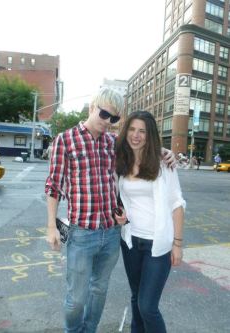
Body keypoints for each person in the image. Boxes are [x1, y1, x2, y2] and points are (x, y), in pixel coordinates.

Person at [45, 89, 176, 333]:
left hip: (112, 234)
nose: (107, 121)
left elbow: (139, 147)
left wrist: (163, 152)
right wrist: (51, 227)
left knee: (99, 291)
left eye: (114, 118)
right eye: (103, 113)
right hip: (81, 233)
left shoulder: (111, 143)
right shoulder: (65, 140)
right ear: (91, 107)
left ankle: (90, 330)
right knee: (76, 298)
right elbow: (53, 185)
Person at [115, 111, 186, 333]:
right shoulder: (121, 161)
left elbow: (177, 203)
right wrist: (121, 214)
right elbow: (122, 199)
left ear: (150, 135)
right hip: (130, 242)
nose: (136, 135)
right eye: (132, 130)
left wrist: (177, 243)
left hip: (158, 245)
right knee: (136, 298)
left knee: (148, 306)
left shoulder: (163, 163)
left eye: (142, 131)